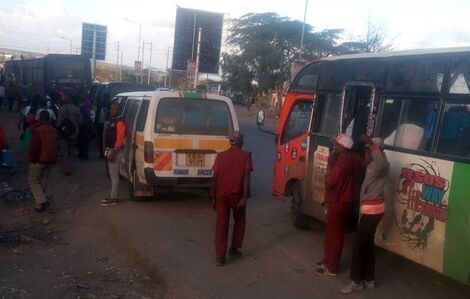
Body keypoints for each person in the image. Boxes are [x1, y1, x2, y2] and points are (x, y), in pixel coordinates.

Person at [340, 136, 389, 294]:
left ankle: (356, 282)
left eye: (368, 150)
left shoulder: (381, 164)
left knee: (358, 245)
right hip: (371, 210)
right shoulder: (372, 165)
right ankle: (369, 279)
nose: (366, 153)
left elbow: (381, 162)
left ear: (376, 151)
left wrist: (371, 143)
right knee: (367, 244)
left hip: (372, 211)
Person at [317, 134, 364, 276]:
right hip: (349, 201)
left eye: (337, 145)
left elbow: (329, 183)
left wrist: (329, 166)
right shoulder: (355, 159)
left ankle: (331, 267)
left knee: (334, 235)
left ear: (342, 148)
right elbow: (363, 165)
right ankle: (327, 261)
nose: (334, 147)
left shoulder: (340, 165)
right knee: (335, 234)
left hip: (337, 202)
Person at [211, 131, 253, 266]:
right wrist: (245, 196)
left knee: (221, 224)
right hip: (238, 195)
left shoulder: (221, 156)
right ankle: (234, 248)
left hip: (221, 195)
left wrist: (213, 195)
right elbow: (246, 176)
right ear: (240, 142)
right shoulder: (246, 156)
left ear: (230, 142)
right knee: (240, 220)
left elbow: (215, 176)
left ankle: (219, 256)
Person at [27, 110, 58, 212]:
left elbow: (35, 148)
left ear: (40, 118)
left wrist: (32, 159)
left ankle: (43, 202)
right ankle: (39, 206)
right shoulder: (54, 130)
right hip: (51, 160)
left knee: (33, 181)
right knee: (43, 182)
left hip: (40, 160)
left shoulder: (38, 130)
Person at [101, 102, 127, 207]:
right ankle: (113, 196)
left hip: (115, 151)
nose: (113, 111)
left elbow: (120, 138)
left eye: (115, 109)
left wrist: (113, 152)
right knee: (115, 173)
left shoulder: (119, 122)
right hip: (111, 149)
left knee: (114, 174)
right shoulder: (113, 120)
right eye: (112, 109)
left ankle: (114, 197)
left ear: (120, 110)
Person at [57, 96, 82, 176]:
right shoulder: (76, 109)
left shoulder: (61, 109)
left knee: (65, 152)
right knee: (69, 149)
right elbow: (81, 121)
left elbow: (59, 123)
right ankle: (69, 160)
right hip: (74, 133)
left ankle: (67, 169)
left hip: (63, 133)